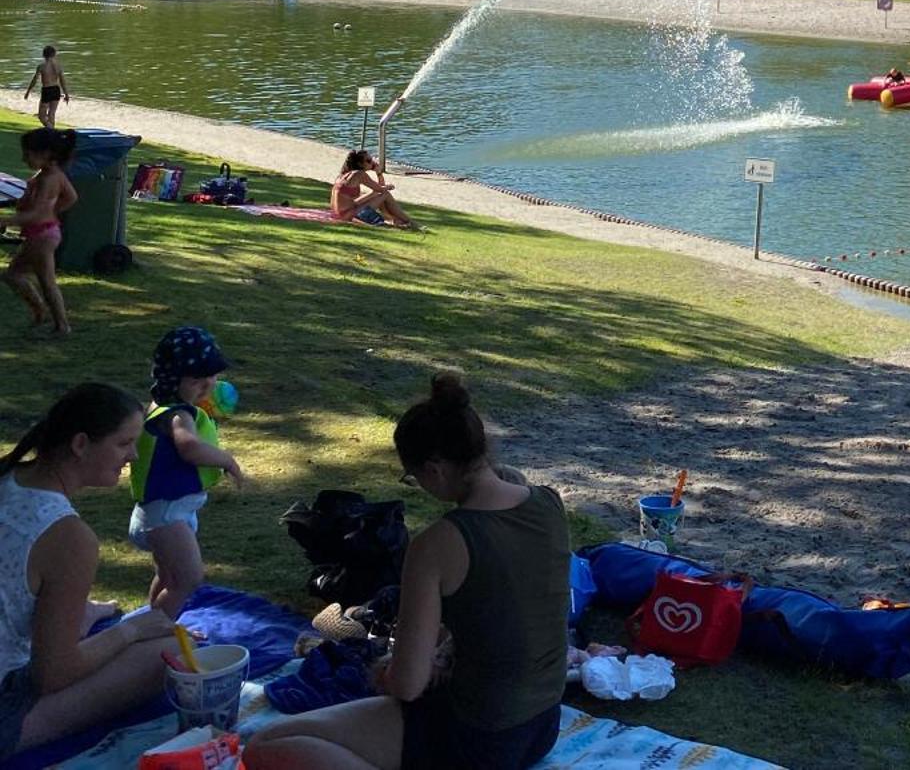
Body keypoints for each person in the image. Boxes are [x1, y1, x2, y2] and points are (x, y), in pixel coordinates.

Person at [246, 374, 571, 770]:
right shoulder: (549, 504)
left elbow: (407, 684)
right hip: (541, 729)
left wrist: (381, 674)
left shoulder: (439, 543)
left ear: (434, 469)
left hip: (478, 739)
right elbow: (503, 605)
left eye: (412, 477)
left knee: (268, 744)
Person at [0, 382, 180, 757]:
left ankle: (85, 614)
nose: (133, 454)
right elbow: (54, 675)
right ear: (80, 444)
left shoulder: (8, 477)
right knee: (167, 653)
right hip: (8, 704)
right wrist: (130, 630)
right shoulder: (67, 536)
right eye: (123, 443)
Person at [129, 327, 247, 618]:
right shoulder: (178, 415)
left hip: (159, 512)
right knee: (188, 579)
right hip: (167, 515)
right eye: (196, 379)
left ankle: (151, 620)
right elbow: (189, 448)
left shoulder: (162, 406)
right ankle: (160, 631)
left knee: (169, 577)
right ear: (172, 379)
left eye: (211, 375)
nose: (207, 384)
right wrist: (227, 460)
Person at [4, 128, 78, 335]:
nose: (23, 158)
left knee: (47, 282)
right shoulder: (51, 174)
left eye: (27, 154)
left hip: (42, 235)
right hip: (43, 232)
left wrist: (6, 220)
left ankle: (61, 325)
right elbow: (71, 197)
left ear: (45, 154)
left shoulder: (48, 179)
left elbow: (36, 214)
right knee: (13, 275)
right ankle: (40, 311)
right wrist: (52, 211)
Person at [331, 150, 415, 229]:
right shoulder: (359, 174)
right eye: (368, 161)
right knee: (385, 194)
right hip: (348, 215)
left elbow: (378, 190)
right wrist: (379, 173)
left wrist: (378, 190)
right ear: (360, 164)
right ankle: (410, 222)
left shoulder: (344, 175)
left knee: (378, 194)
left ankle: (394, 219)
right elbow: (381, 189)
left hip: (341, 213)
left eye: (371, 160)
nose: (372, 162)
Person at [21, 48, 66, 129]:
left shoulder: (41, 66)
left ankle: (51, 130)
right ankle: (51, 133)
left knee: (41, 116)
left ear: (43, 55)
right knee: (52, 114)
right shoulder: (58, 66)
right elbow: (63, 81)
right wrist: (66, 94)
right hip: (56, 89)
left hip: (47, 90)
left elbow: (34, 80)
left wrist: (28, 91)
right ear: (54, 54)